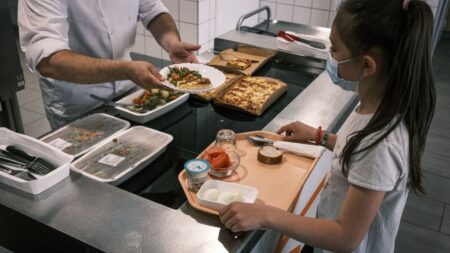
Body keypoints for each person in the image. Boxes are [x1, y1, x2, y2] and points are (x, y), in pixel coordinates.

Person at [219, 0, 436, 252]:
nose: (330, 57)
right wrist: (319, 136)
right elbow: (355, 154)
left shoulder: (380, 144)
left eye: (335, 50)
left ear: (368, 65)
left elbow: (345, 236)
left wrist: (267, 215)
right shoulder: (375, 106)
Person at [18, 0, 200, 129]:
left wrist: (171, 42)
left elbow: (153, 10)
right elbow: (48, 60)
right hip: (78, 103)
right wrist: (125, 70)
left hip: (128, 94)